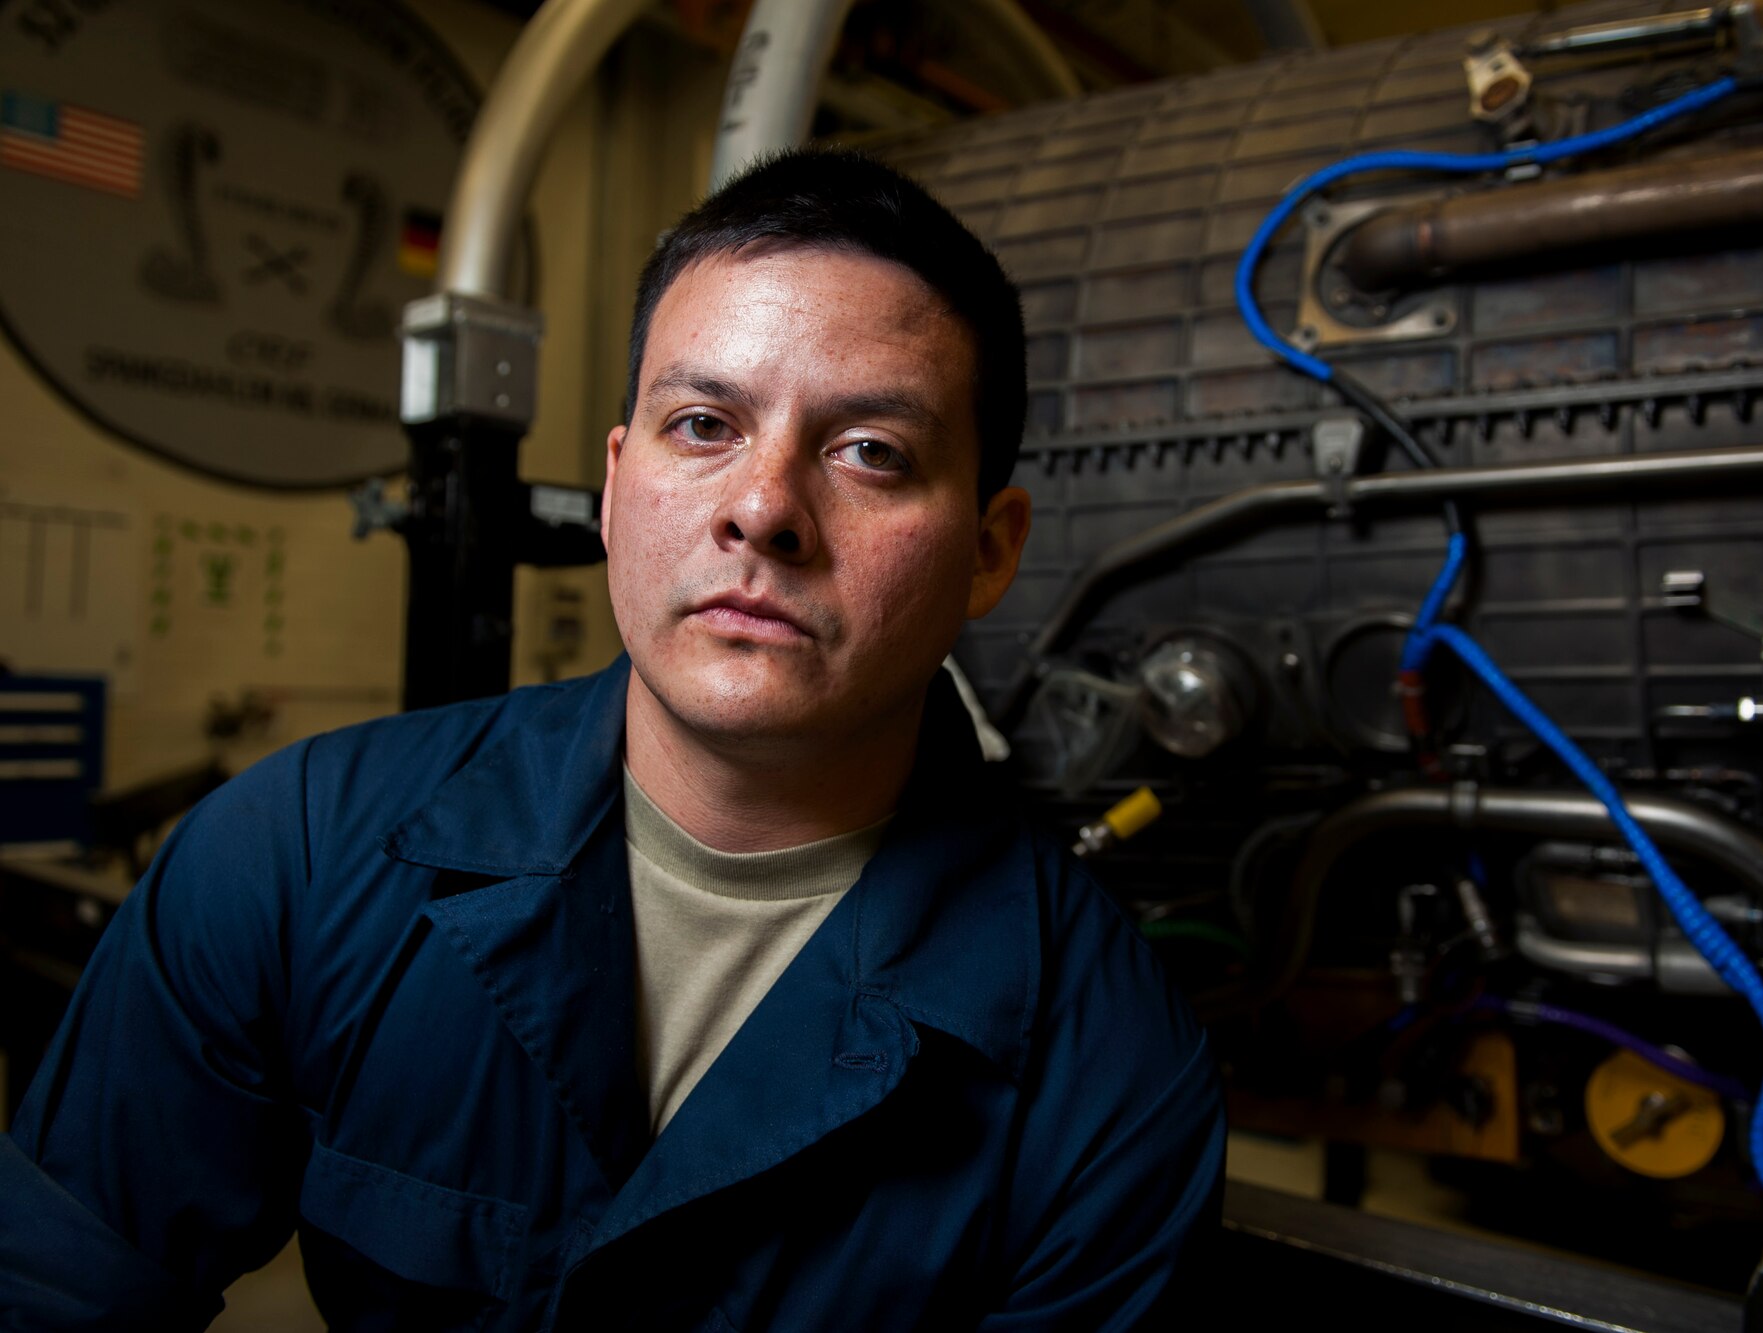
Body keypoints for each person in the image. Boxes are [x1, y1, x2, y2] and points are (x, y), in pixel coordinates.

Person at [0, 148, 1225, 1330]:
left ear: (990, 547)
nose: (760, 507)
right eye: (703, 425)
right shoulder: (302, 858)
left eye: (870, 452)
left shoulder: (1105, 1068)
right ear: (613, 482)